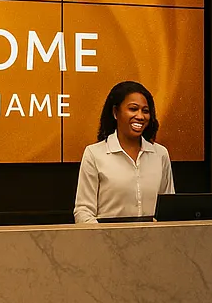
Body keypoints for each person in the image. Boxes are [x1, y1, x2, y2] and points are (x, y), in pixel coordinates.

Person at [74, 81, 175, 223]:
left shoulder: (160, 154)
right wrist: (104, 236)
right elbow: (83, 212)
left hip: (153, 238)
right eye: (133, 109)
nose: (140, 116)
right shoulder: (94, 154)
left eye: (145, 111)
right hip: (108, 237)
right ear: (115, 112)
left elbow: (169, 211)